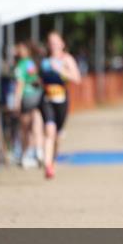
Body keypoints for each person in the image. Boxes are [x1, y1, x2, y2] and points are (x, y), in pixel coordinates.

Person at [38, 31, 82, 179]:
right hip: (46, 99)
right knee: (49, 131)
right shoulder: (44, 60)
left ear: (62, 44)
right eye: (51, 42)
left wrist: (61, 70)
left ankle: (52, 162)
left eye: (56, 42)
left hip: (62, 100)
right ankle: (47, 165)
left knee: (57, 136)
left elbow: (77, 78)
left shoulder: (67, 59)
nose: (53, 45)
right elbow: (39, 78)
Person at [12, 41, 44, 168]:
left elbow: (20, 84)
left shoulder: (21, 65)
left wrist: (16, 102)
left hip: (27, 97)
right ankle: (38, 152)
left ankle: (26, 155)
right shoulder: (32, 63)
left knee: (25, 128)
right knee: (37, 124)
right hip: (37, 95)